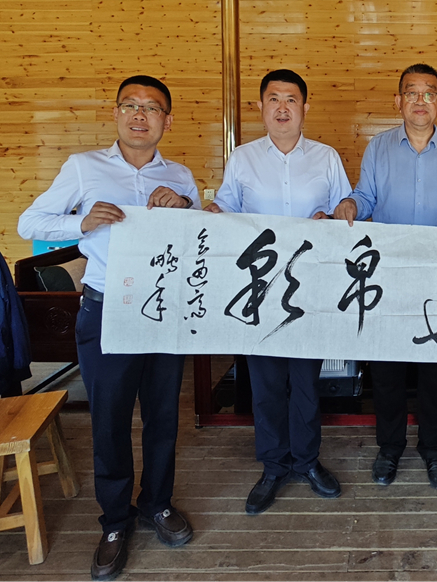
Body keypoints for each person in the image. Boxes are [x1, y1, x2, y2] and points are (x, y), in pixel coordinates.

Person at [18, 75, 200, 580]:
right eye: (130, 105)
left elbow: (200, 236)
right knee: (110, 418)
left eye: (152, 107)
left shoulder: (180, 175)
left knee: (163, 415)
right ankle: (115, 521)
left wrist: (186, 207)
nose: (140, 114)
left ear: (167, 120)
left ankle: (157, 503)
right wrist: (80, 223)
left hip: (164, 308)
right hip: (106, 309)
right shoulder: (84, 167)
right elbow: (29, 223)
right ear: (117, 113)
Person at [206, 69, 349, 514]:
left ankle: (306, 461)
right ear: (261, 107)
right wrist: (207, 212)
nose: (282, 108)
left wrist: (337, 214)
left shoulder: (326, 158)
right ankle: (273, 466)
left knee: (306, 383)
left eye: (291, 99)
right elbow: (225, 209)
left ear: (305, 107)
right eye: (274, 99)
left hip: (310, 288)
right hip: (260, 290)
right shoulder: (243, 158)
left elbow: (347, 211)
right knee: (266, 384)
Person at [333, 63, 437, 491]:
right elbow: (365, 196)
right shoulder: (378, 148)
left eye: (429, 93)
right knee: (387, 368)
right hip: (389, 274)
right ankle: (390, 447)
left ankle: (434, 450)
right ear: (398, 101)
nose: (420, 101)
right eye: (412, 93)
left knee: (436, 370)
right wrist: (351, 205)